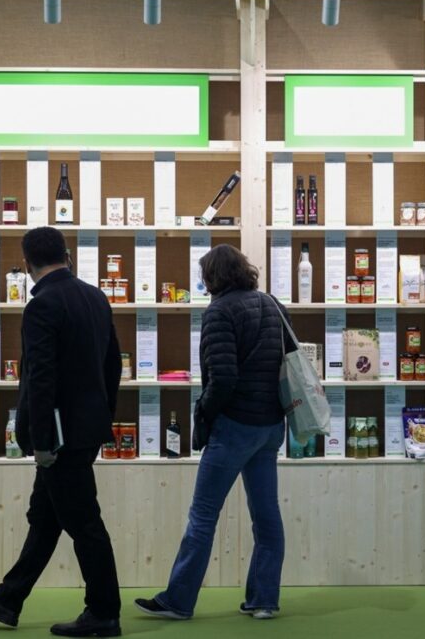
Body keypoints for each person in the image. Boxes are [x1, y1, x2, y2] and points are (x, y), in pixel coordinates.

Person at [0, 227, 124, 638]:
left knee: (84, 523)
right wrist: (101, 418)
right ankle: (8, 598)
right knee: (46, 517)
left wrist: (42, 440)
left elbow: (41, 378)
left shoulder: (42, 305)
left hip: (60, 437)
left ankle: (103, 612)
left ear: (27, 262)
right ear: (66, 255)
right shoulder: (95, 297)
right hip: (85, 429)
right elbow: (113, 366)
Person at [135, 244, 288, 622]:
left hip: (235, 426)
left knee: (203, 515)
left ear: (212, 277)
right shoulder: (272, 304)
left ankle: (179, 600)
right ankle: (263, 600)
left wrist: (203, 413)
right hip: (271, 426)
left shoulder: (220, 311)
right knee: (267, 516)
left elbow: (223, 378)